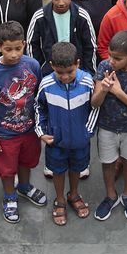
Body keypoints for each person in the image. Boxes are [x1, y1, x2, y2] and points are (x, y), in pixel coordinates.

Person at [0, 21, 48, 222]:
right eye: (8, 49)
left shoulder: (33, 65)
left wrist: (42, 125)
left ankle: (25, 186)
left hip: (29, 130)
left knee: (27, 161)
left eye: (18, 48)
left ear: (24, 44)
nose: (13, 54)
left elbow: (38, 96)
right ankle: (10, 196)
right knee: (7, 169)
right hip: (4, 134)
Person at [91, 31, 127, 222]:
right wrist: (103, 89)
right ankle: (110, 195)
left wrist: (118, 92)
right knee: (108, 163)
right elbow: (95, 103)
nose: (111, 61)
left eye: (117, 58)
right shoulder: (103, 67)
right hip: (107, 127)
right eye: (110, 55)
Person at [35, 42, 96, 225]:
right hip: (56, 141)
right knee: (58, 170)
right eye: (60, 72)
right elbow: (38, 107)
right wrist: (41, 133)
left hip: (80, 140)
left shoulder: (86, 82)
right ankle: (60, 199)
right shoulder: (46, 84)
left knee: (77, 168)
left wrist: (88, 130)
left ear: (77, 63)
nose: (65, 77)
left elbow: (94, 107)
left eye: (70, 71)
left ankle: (74, 194)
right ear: (52, 65)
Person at [27, 0, 97, 75]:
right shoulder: (39, 17)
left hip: (77, 72)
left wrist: (89, 74)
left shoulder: (81, 16)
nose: (61, 2)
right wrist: (39, 73)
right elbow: (31, 46)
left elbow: (90, 47)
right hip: (49, 73)